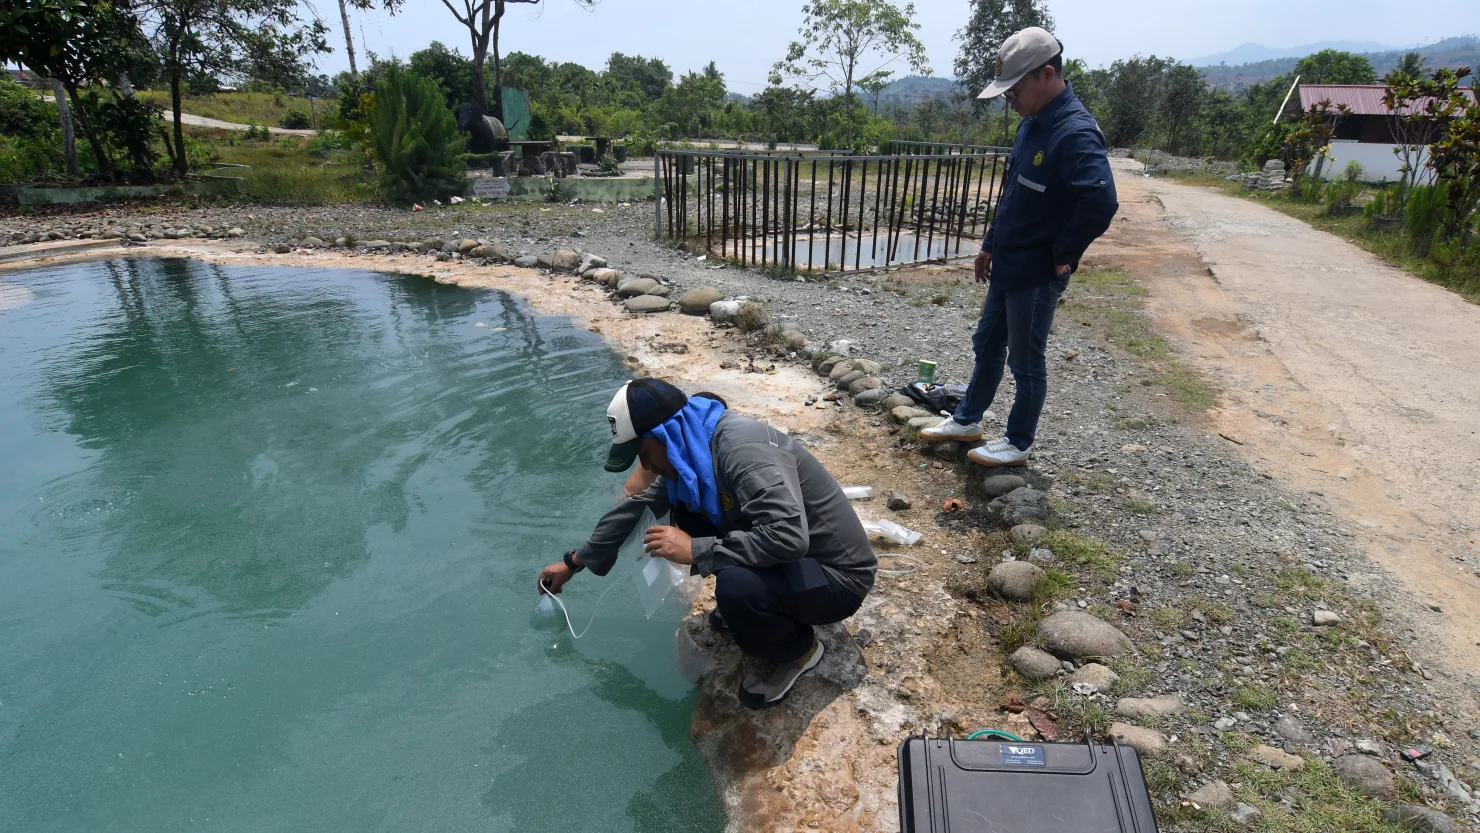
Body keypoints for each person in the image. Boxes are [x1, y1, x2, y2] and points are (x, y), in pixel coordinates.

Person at [538, 378, 877, 708]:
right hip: (800, 562)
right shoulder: (693, 450)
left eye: (643, 454)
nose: (645, 467)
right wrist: (572, 563)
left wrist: (696, 550)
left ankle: (796, 651)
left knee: (736, 586)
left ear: (664, 434)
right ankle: (768, 603)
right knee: (688, 513)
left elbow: (788, 536)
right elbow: (634, 508)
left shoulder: (742, 452)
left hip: (837, 578)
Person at [921, 27, 1119, 466]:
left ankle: (1017, 442)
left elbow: (1101, 201)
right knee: (987, 343)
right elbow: (1014, 192)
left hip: (1037, 271)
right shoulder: (1032, 125)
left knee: (1025, 361)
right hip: (1008, 262)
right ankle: (969, 418)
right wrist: (990, 242)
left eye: (1014, 90)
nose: (1009, 100)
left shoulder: (1075, 133)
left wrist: (1063, 255)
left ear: (1047, 74)